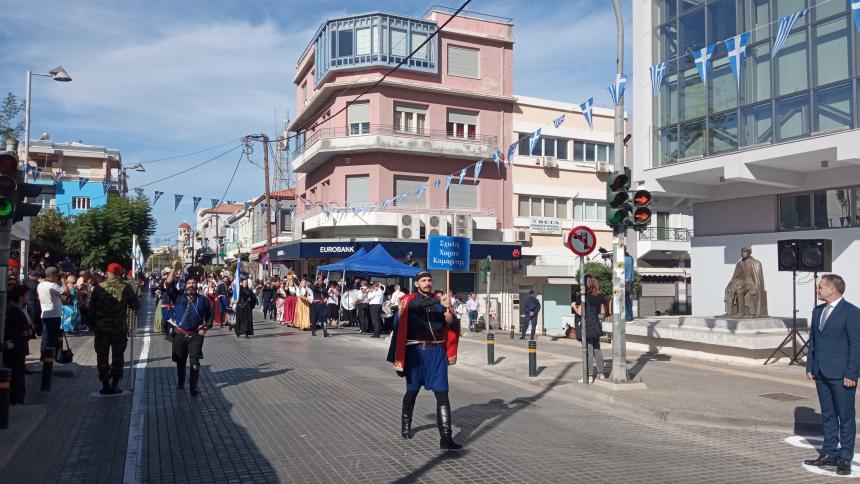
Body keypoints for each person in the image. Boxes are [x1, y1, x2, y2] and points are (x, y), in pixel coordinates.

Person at [387, 270, 462, 450]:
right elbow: (415, 308)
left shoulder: (441, 303)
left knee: (443, 394)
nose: (427, 283)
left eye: (429, 280)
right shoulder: (408, 301)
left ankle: (446, 437)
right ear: (416, 284)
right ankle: (406, 423)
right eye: (424, 280)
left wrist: (451, 320)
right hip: (416, 354)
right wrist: (438, 301)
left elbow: (454, 326)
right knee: (412, 391)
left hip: (437, 353)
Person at [804, 274, 860, 476]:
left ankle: (845, 457)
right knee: (828, 415)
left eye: (820, 287)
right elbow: (814, 341)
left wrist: (851, 373)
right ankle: (829, 452)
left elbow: (856, 345)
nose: (817, 290)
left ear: (832, 290)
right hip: (821, 373)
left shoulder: (851, 312)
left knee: (845, 417)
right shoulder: (818, 311)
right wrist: (810, 366)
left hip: (842, 375)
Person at [89, 263, 139, 395]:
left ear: (108, 273)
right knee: (118, 355)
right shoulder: (125, 287)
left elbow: (91, 308)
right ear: (120, 273)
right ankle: (115, 384)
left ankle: (105, 384)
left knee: (102, 356)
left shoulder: (99, 288)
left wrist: (91, 325)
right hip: (119, 327)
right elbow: (135, 305)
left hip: (101, 328)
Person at [166, 276, 212, 396]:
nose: (191, 284)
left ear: (197, 285)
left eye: (193, 282)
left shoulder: (203, 300)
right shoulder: (178, 297)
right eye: (189, 282)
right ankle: (181, 381)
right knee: (180, 360)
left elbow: (210, 317)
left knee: (194, 361)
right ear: (185, 285)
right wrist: (174, 269)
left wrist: (205, 328)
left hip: (196, 335)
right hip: (180, 334)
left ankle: (193, 387)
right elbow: (169, 284)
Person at [4, 285, 34, 404]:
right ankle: (16, 400)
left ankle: (17, 399)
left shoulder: (21, 311)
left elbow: (29, 330)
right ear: (21, 297)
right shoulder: (14, 312)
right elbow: (24, 331)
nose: (28, 297)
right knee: (16, 375)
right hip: (15, 348)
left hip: (19, 348)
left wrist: (28, 331)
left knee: (18, 374)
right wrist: (27, 331)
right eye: (26, 295)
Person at [573, 276, 606, 383]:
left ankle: (589, 375)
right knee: (597, 348)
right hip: (595, 325)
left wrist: (573, 305)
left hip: (586, 326)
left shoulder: (582, 296)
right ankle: (601, 373)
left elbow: (580, 312)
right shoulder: (599, 295)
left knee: (588, 350)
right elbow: (602, 311)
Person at [37, 267, 64, 360]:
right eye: (57, 275)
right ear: (53, 276)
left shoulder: (40, 285)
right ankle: (50, 359)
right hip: (54, 315)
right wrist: (63, 280)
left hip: (45, 314)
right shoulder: (53, 286)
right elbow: (66, 292)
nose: (58, 277)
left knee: (46, 337)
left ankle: (44, 356)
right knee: (52, 338)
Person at [26, 270, 43, 337]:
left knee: (31, 317)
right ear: (36, 277)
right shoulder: (38, 284)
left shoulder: (27, 283)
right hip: (35, 302)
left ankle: (32, 332)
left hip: (28, 302)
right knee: (36, 317)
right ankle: (38, 331)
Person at [624, 250, 635, 322]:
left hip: (624, 280)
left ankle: (628, 317)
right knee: (628, 298)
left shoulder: (622, 259)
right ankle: (630, 316)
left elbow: (622, 270)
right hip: (630, 280)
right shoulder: (630, 258)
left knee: (625, 299)